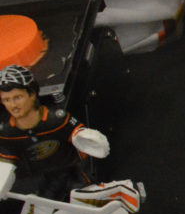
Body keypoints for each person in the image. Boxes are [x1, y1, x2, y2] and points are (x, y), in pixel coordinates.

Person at [0, 64, 110, 201]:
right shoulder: (7, 132)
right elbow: (6, 162)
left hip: (73, 174)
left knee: (92, 202)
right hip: (46, 181)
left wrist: (87, 138)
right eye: (6, 100)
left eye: (17, 97)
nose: (13, 105)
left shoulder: (56, 119)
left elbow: (81, 136)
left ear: (32, 94)